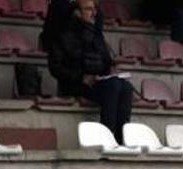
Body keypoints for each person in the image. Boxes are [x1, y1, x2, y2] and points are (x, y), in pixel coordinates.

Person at [48, 0, 133, 143]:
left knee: (125, 87)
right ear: (77, 13)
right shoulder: (63, 35)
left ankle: (120, 138)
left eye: (94, 9)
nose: (93, 13)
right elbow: (55, 67)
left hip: (98, 81)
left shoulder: (96, 34)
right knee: (113, 87)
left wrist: (112, 68)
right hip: (76, 83)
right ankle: (106, 138)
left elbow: (106, 60)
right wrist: (81, 77)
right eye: (88, 9)